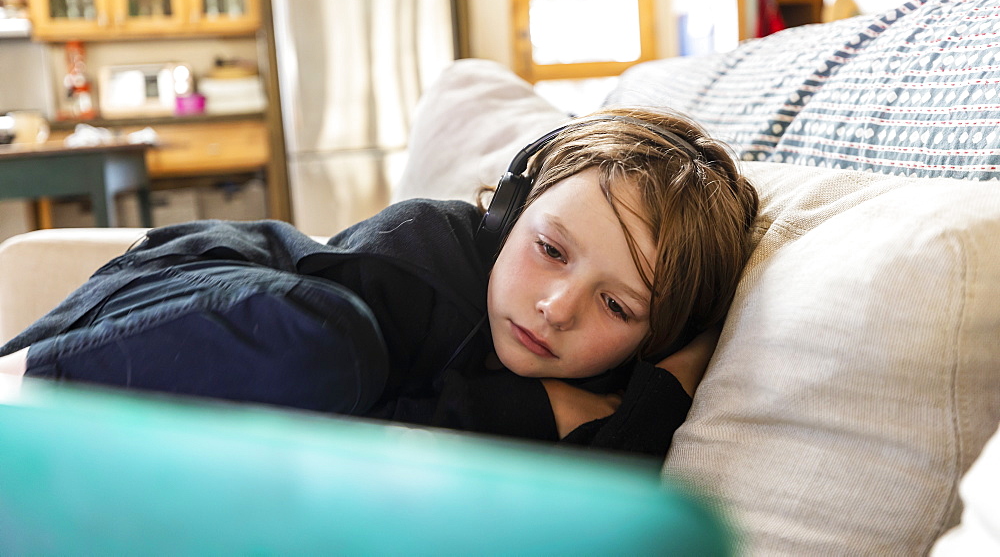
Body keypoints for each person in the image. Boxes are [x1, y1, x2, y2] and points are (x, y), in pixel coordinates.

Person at [0, 107, 758, 458]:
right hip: (182, 296)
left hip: (184, 424)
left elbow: (617, 475)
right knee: (329, 348)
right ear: (516, 206)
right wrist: (518, 411)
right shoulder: (422, 253)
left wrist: (676, 368)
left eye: (618, 305)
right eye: (551, 250)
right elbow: (353, 424)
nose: (557, 307)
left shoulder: (598, 376)